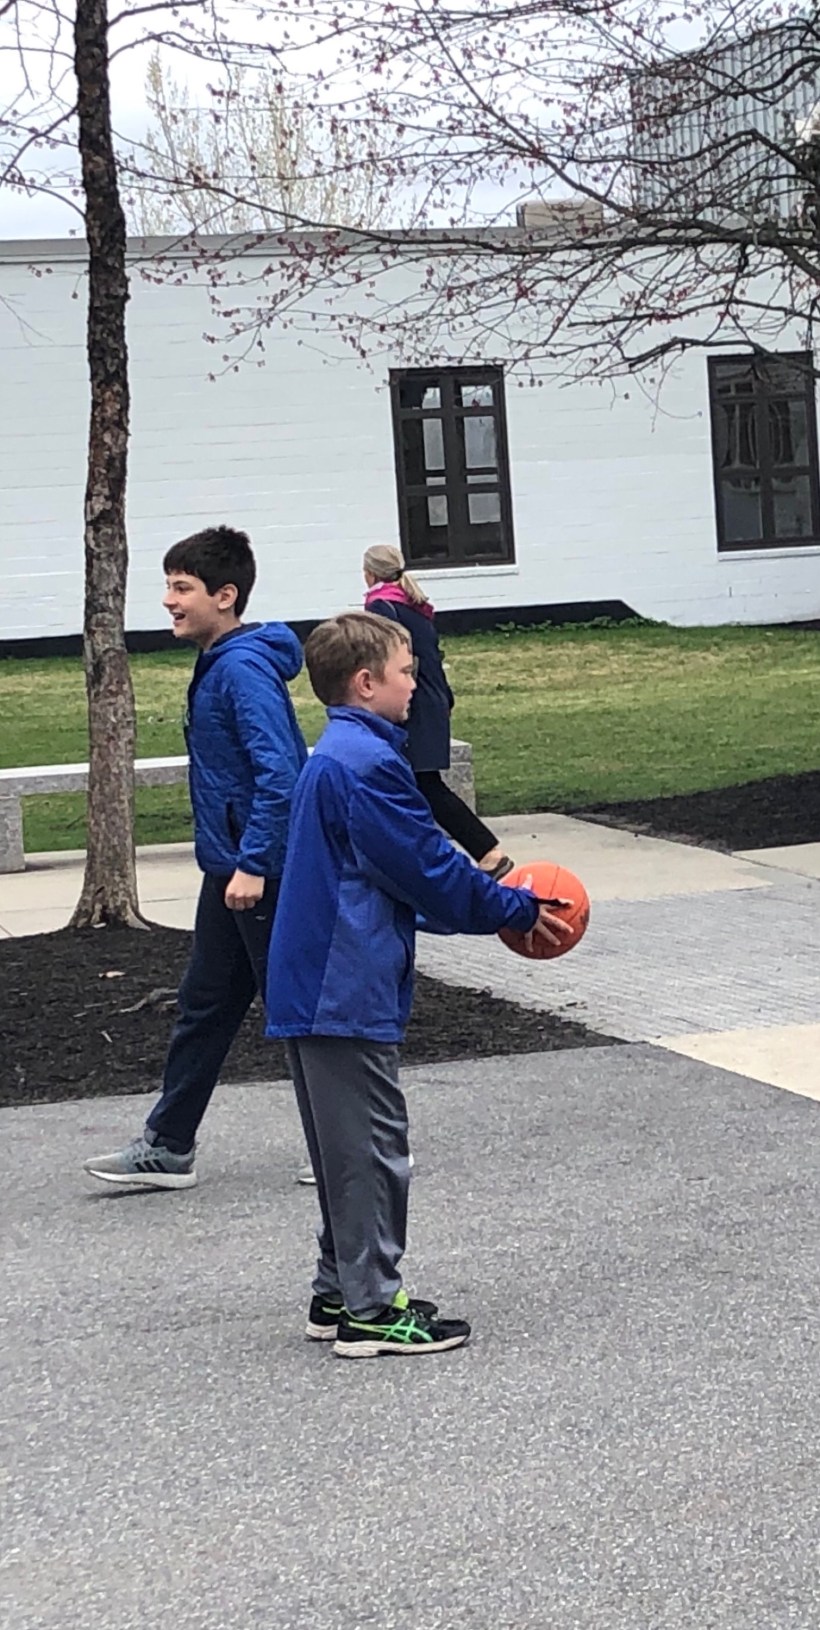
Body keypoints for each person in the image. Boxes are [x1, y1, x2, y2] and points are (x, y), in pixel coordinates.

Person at [265, 611, 572, 1357]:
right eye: (407, 672)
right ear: (366, 683)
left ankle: (339, 1290)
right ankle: (372, 1311)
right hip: (342, 983)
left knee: (344, 1153)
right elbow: (429, 870)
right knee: (373, 1150)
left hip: (318, 979)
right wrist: (517, 909)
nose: (416, 685)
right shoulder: (367, 766)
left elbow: (388, 877)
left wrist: (479, 908)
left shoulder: (340, 754)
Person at [83, 525, 308, 1190]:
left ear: (225, 596)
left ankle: (356, 1147)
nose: (168, 600)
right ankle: (169, 1146)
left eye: (182, 588)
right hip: (230, 867)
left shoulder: (241, 670)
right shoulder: (222, 662)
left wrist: (254, 863)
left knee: (300, 1011)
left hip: (261, 872)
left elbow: (281, 775)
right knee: (205, 1005)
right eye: (169, 586)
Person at [363, 543, 514, 879]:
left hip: (411, 702)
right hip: (432, 699)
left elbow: (389, 661)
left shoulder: (380, 606)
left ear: (369, 573)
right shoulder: (413, 604)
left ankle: (488, 853)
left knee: (424, 784)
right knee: (411, 783)